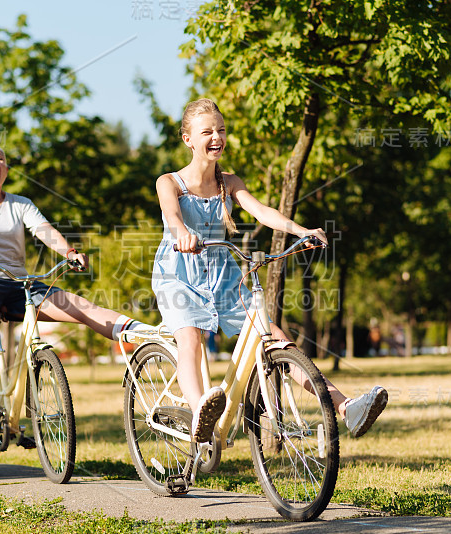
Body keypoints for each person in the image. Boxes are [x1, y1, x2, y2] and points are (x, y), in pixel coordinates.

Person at [152, 99, 387, 443]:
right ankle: (200, 412)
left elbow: (262, 211)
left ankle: (346, 407)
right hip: (179, 275)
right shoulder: (169, 182)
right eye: (207, 132)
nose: (216, 137)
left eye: (221, 129)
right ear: (187, 139)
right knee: (189, 338)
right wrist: (182, 234)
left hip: (223, 277)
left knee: (278, 339)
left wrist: (299, 230)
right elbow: (172, 217)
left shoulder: (229, 182)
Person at [0, 144, 146, 387]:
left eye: (0, 158)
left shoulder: (20, 204)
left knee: (80, 306)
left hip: (18, 283)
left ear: (6, 169)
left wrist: (69, 252)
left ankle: (146, 334)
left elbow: (44, 230)